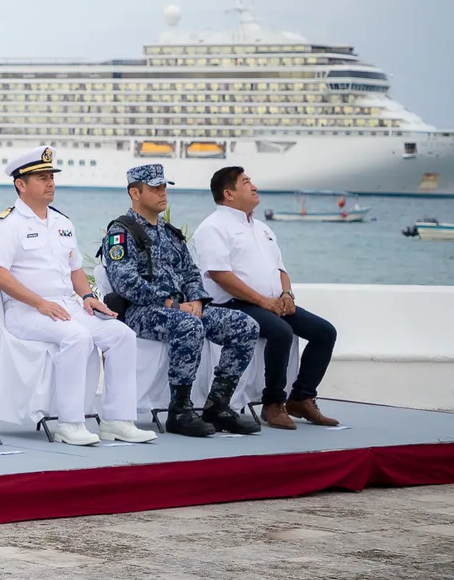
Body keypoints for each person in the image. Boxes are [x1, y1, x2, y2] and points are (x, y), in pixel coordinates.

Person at [0, 146, 157, 446]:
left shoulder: (63, 223)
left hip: (66, 306)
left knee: (121, 335)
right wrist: (39, 303)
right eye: (42, 177)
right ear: (20, 185)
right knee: (76, 337)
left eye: (51, 176)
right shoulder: (6, 224)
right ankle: (70, 423)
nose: (50, 182)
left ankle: (117, 420)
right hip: (26, 310)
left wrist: (89, 296)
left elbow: (75, 269)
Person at [100, 164, 261, 437]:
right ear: (134, 193)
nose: (163, 193)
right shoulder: (121, 232)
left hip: (183, 309)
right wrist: (172, 305)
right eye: (155, 188)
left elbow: (190, 272)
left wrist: (197, 299)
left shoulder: (170, 233)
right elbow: (125, 283)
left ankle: (218, 404)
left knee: (245, 326)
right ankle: (180, 410)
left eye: (164, 187)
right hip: (143, 312)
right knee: (188, 326)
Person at [194, 167, 339, 430]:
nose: (253, 185)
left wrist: (286, 294)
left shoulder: (262, 228)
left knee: (325, 332)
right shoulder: (212, 227)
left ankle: (302, 397)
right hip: (233, 304)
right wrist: (262, 301)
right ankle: (273, 404)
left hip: (273, 302)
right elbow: (218, 274)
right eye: (246, 182)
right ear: (228, 194)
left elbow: (281, 269)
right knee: (281, 332)